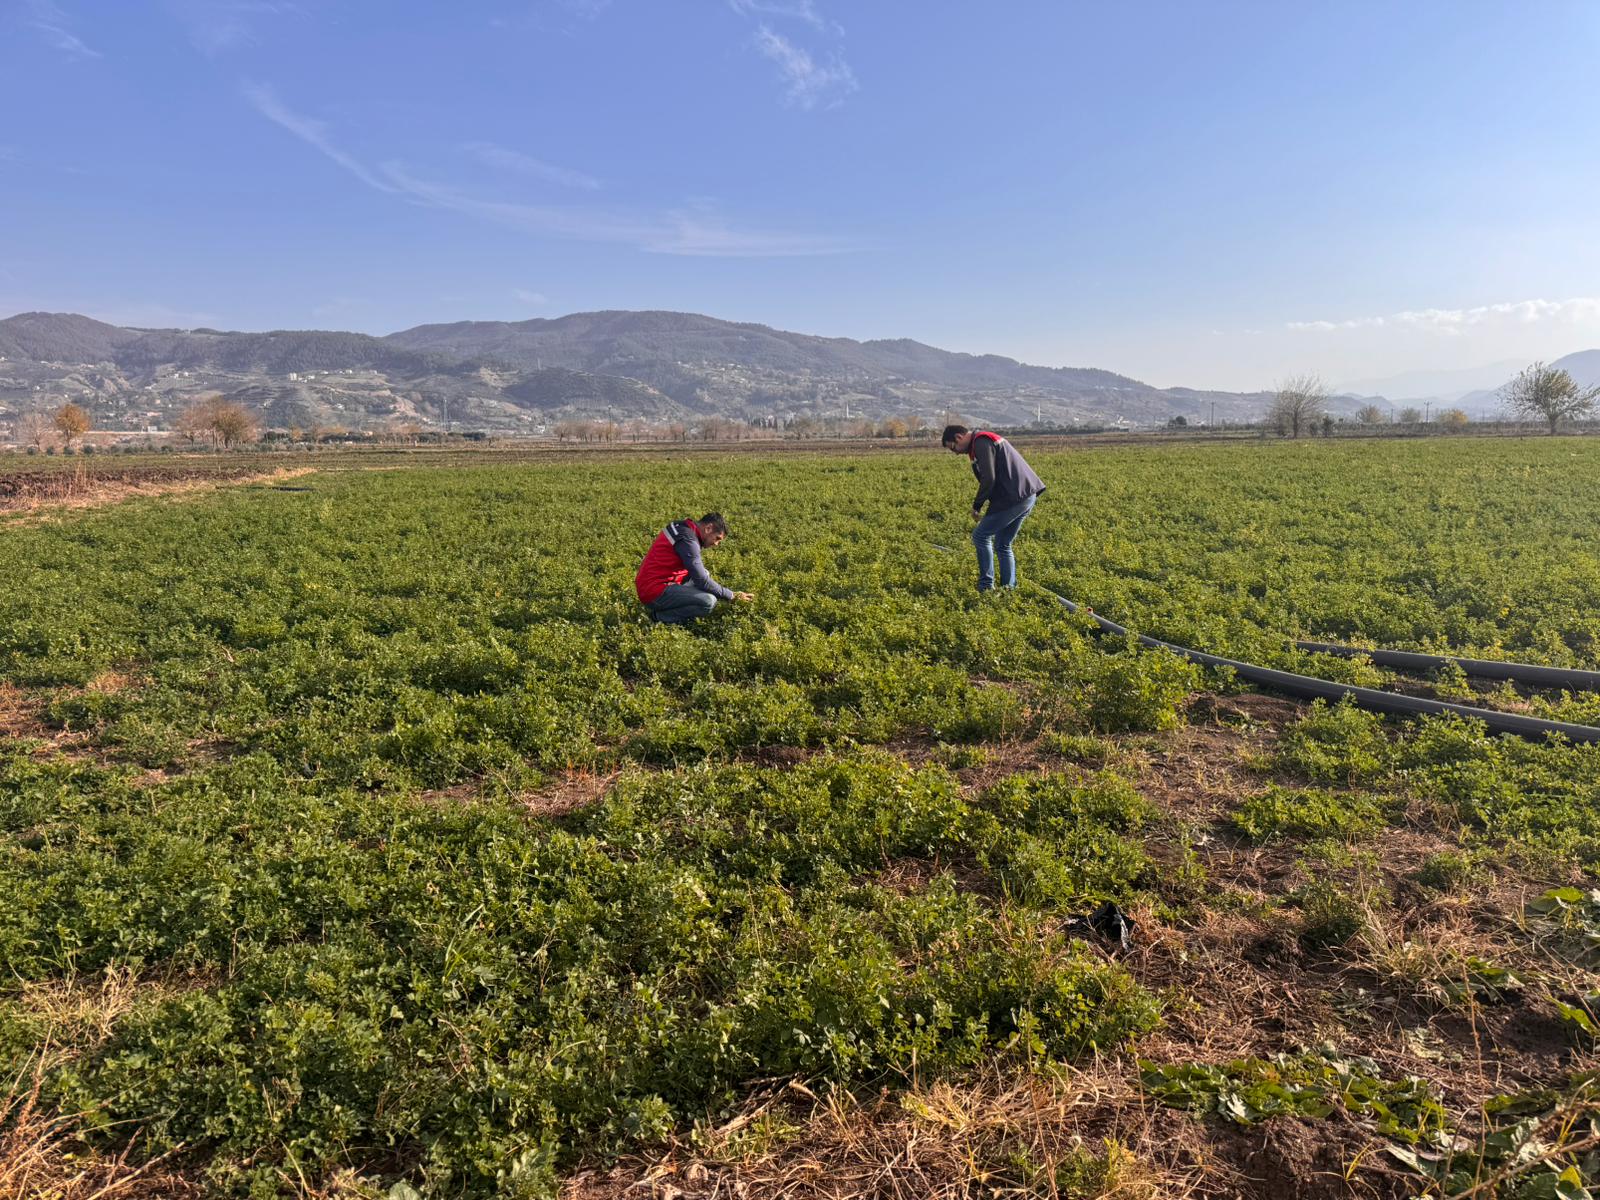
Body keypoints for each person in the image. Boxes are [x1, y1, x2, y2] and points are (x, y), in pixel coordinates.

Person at [941, 425, 1046, 591]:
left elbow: (988, 478)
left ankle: (986, 587)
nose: (955, 453)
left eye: (953, 447)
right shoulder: (980, 443)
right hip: (1025, 495)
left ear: (959, 437)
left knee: (980, 536)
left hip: (1014, 497)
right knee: (1002, 544)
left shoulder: (981, 442)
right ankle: (1008, 589)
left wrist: (977, 506)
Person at [634, 512, 754, 624]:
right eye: (717, 538)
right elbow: (701, 579)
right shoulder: (688, 539)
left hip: (651, 582)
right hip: (653, 591)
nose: (716, 544)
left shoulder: (684, 526)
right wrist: (731, 595)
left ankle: (668, 606)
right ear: (708, 528)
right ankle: (658, 618)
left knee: (704, 574)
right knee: (708, 601)